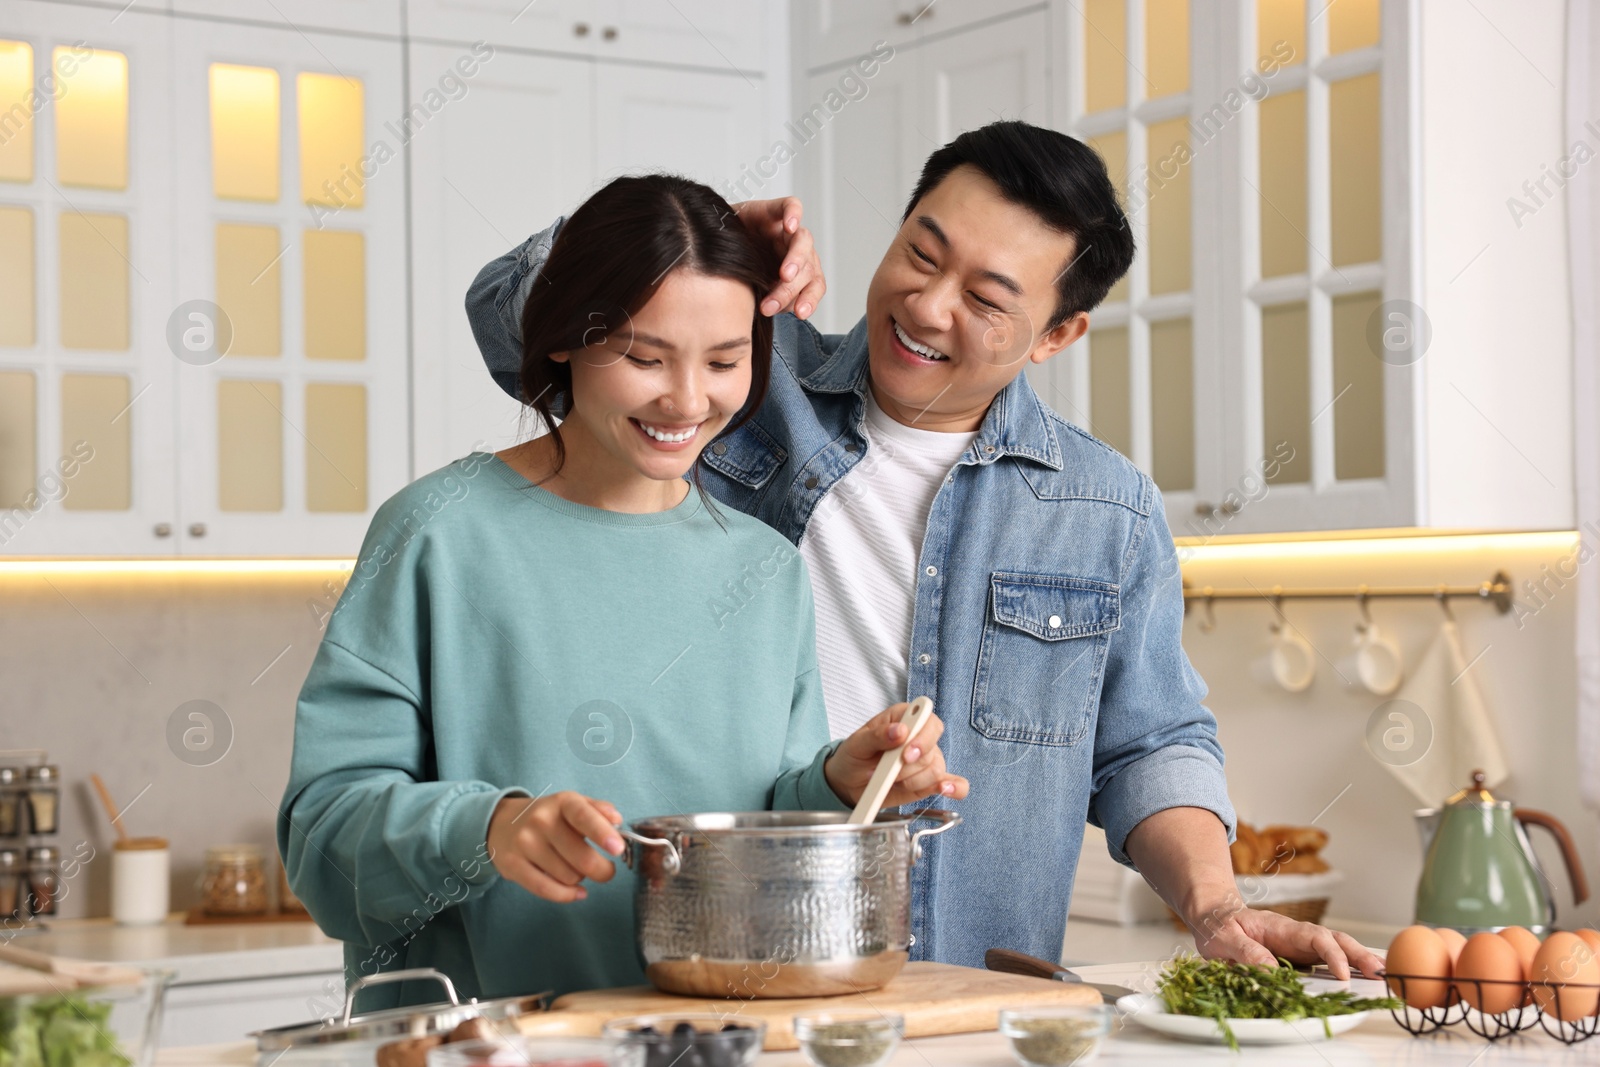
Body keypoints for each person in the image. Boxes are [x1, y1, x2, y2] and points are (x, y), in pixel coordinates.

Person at [466, 122, 1386, 980]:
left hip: (966, 995)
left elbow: (1149, 742)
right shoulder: (741, 374)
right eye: (920, 252)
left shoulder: (1104, 509)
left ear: (1057, 334)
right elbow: (509, 322)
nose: (928, 305)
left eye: (986, 299)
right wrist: (677, 251)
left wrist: (1215, 904)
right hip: (724, 961)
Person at [279, 174, 968, 1008]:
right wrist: (489, 829)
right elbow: (323, 842)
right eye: (646, 356)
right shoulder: (440, 533)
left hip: (710, 1039)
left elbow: (746, 816)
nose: (687, 399)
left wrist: (834, 783)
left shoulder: (763, 564)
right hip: (491, 1050)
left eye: (724, 361)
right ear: (565, 337)